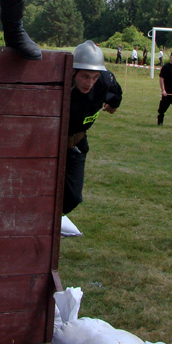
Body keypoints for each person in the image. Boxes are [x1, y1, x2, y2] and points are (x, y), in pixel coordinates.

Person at [63, 40, 123, 215]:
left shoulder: (105, 81)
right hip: (49, 143)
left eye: (94, 77)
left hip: (77, 144)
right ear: (73, 71)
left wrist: (109, 107)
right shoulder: (61, 81)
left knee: (73, 197)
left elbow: (115, 103)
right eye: (85, 76)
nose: (89, 83)